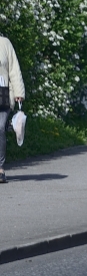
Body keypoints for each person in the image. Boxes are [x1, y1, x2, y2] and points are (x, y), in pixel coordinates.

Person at [0, 33, 25, 184]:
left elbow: (14, 69)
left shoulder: (5, 43)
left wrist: (19, 92)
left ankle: (0, 168)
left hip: (3, 95)